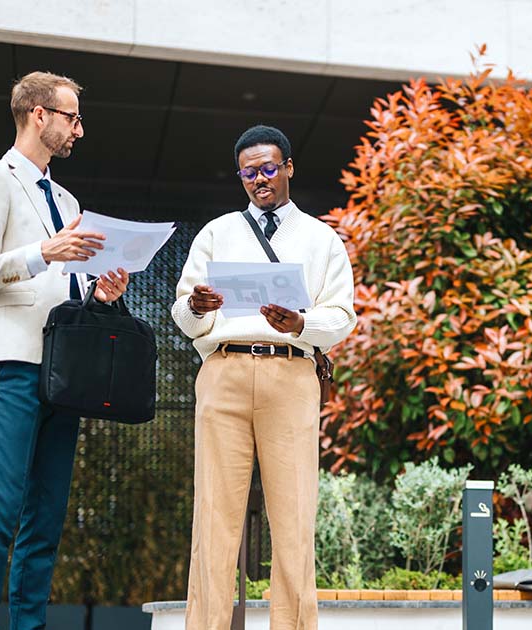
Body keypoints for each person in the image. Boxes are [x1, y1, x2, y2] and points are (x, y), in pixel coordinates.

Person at [0, 71, 129, 630]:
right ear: (39, 115)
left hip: (64, 373)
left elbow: (66, 282)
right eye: (71, 116)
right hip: (11, 365)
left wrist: (98, 291)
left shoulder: (69, 198)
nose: (79, 128)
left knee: (47, 517)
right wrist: (42, 251)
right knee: (1, 507)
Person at [172, 124, 357, 629]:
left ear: (289, 168)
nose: (260, 180)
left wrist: (301, 323)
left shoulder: (322, 238)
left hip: (291, 372)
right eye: (249, 172)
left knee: (294, 518)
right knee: (214, 518)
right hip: (224, 369)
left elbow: (342, 316)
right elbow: (186, 318)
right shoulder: (217, 232)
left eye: (269, 169)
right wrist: (196, 305)